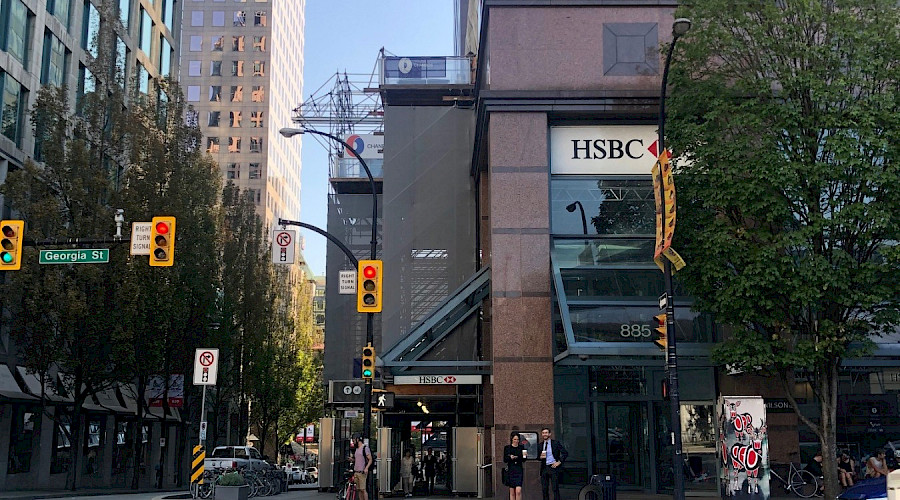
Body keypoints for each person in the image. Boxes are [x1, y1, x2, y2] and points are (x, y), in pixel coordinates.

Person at [539, 427, 568, 500]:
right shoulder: (540, 445)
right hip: (544, 468)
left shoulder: (555, 443)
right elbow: (537, 456)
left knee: (555, 488)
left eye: (546, 433)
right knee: (544, 489)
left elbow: (565, 453)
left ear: (549, 434)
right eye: (543, 433)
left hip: (553, 467)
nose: (544, 434)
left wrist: (559, 462)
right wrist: (540, 457)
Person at [351, 434, 373, 500]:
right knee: (359, 489)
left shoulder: (365, 448)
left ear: (358, 439)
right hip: (356, 471)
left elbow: (370, 459)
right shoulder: (357, 449)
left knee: (363, 489)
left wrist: (366, 468)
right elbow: (358, 459)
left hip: (362, 472)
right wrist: (352, 460)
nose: (353, 442)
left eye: (354, 440)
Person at [505, 432, 526, 500]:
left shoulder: (521, 447)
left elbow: (524, 459)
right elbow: (505, 459)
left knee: (518, 491)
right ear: (512, 439)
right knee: (512, 492)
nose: (516, 441)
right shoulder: (507, 448)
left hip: (519, 470)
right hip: (511, 470)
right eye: (514, 439)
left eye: (517, 439)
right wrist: (510, 457)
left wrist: (521, 456)